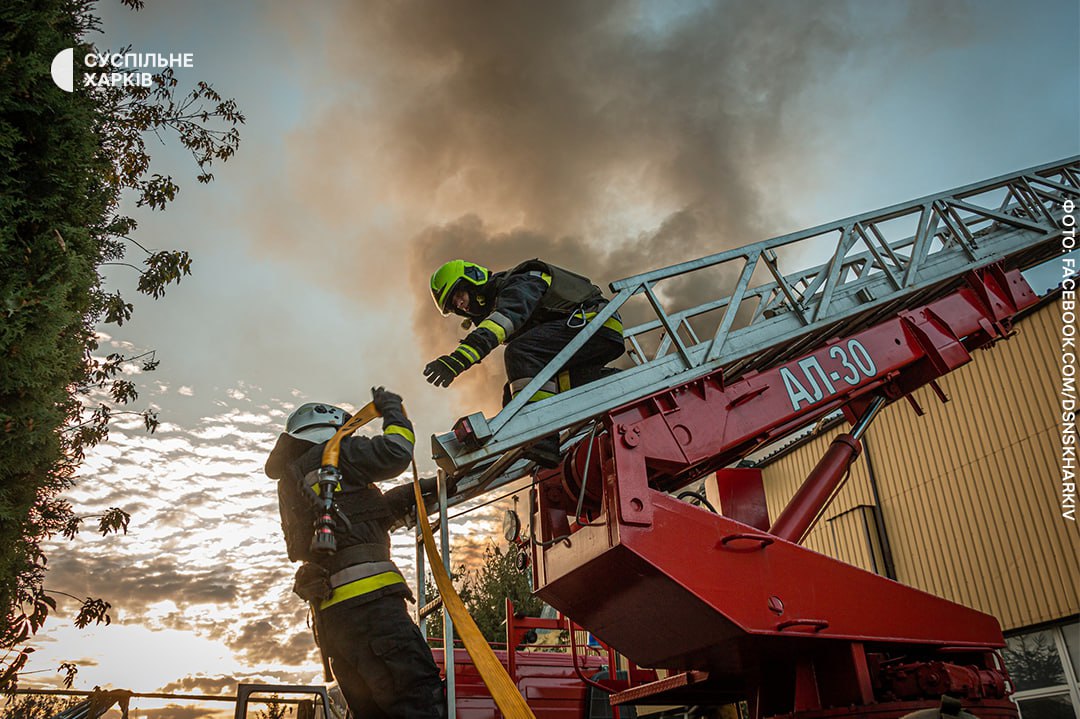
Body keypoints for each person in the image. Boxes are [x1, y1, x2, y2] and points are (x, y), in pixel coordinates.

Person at [264, 387, 444, 719]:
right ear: (331, 430)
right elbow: (396, 452)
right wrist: (393, 410)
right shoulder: (336, 452)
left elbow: (350, 524)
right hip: (376, 612)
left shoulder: (293, 481)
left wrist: (407, 497)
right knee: (419, 699)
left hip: (337, 626)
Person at [424, 258, 625, 467]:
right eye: (454, 305)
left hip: (595, 323)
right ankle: (613, 381)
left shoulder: (520, 282)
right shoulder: (500, 299)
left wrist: (458, 360)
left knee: (520, 352)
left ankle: (542, 438)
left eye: (458, 295)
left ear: (472, 281)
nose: (460, 305)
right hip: (582, 332)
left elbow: (505, 320)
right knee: (514, 391)